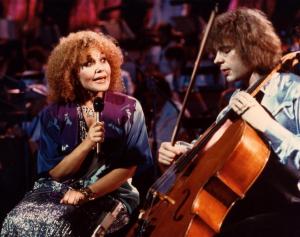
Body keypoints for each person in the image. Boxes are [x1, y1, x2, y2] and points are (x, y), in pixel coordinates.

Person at [157, 7, 300, 237]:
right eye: (215, 52)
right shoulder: (236, 98)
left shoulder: (292, 90)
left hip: (286, 212)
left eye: (224, 51)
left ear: (250, 46)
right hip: (244, 208)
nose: (216, 60)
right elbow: (215, 149)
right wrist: (183, 154)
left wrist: (266, 124)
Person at [1, 30, 153, 236]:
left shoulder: (129, 108)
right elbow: (55, 173)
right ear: (71, 73)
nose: (100, 69)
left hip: (109, 194)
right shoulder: (53, 114)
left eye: (103, 60)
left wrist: (85, 193)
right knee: (14, 221)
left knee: (60, 228)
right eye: (88, 64)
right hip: (56, 192)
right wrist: (87, 143)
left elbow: (128, 169)